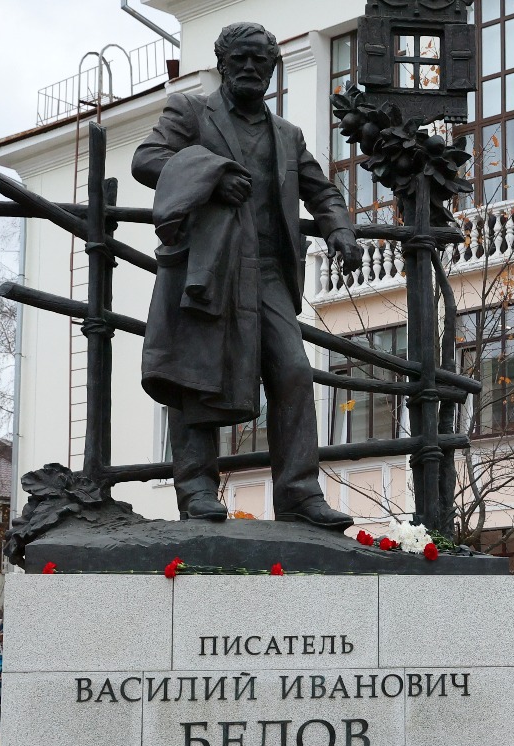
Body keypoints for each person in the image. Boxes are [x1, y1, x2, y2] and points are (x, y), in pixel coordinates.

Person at [132, 22, 362, 528]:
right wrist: (211, 177)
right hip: (209, 268)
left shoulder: (287, 136)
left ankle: (299, 494)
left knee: (294, 374)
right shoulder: (191, 111)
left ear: (273, 69)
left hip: (268, 274)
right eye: (242, 59)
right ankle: (195, 490)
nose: (252, 68)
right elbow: (146, 160)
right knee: (197, 374)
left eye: (262, 60)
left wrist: (340, 231)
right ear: (222, 63)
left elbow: (320, 191)